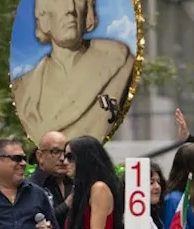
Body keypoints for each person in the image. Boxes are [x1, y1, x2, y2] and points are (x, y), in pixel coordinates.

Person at [11, 0, 133, 141]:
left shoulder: (120, 64)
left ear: (88, 12)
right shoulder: (23, 90)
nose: (70, 9)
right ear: (44, 17)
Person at [47, 135, 125, 229]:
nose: (64, 161)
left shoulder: (99, 188)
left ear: (85, 158)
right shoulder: (83, 190)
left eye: (70, 156)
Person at [30, 131, 74, 228]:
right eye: (55, 152)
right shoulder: (32, 187)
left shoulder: (73, 183)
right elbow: (35, 222)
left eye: (66, 153)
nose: (63, 158)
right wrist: (66, 205)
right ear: (40, 156)